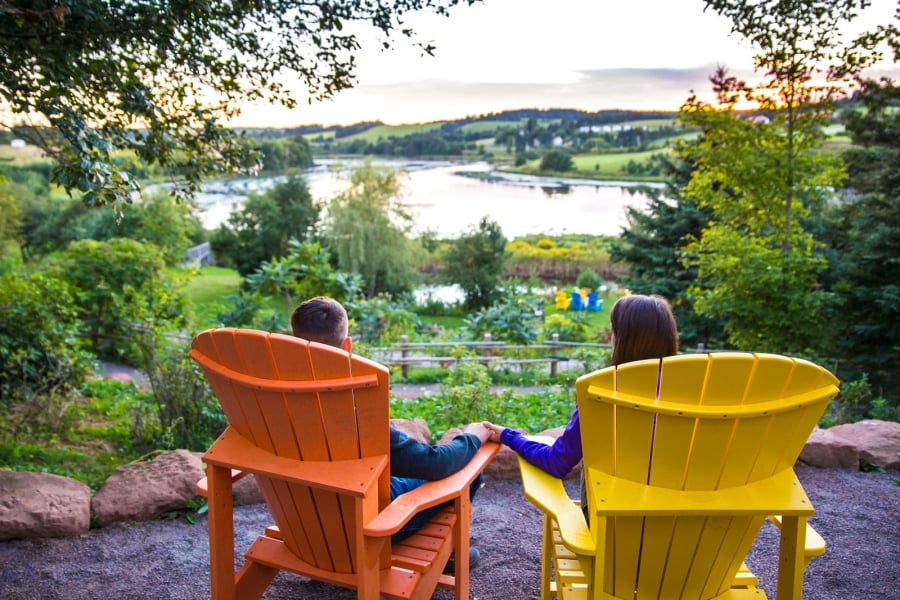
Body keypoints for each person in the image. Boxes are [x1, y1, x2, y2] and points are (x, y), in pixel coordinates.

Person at [290, 296, 491, 565]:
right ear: (347, 346)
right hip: (365, 525)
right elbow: (434, 464)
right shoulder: (355, 412)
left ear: (292, 342)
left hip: (302, 520)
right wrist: (474, 436)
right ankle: (447, 558)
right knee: (469, 472)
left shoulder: (268, 400)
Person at [482, 293, 679, 516]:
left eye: (613, 331)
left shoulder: (602, 392)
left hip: (609, 531)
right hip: (692, 533)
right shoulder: (694, 394)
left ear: (622, 340)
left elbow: (558, 462)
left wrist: (510, 436)